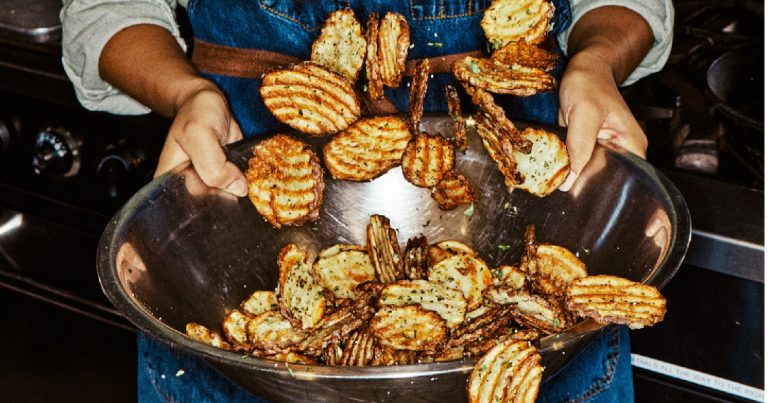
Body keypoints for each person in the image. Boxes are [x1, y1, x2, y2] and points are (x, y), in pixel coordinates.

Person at [61, 1, 673, 401]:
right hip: (239, 245)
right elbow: (106, 10)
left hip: (530, 234)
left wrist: (596, 62)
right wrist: (184, 93)